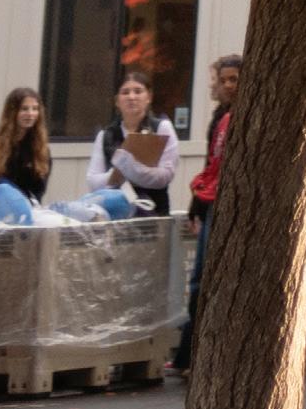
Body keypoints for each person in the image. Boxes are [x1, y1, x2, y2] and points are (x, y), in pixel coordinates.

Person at [172, 52, 240, 375]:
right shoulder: (220, 117)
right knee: (200, 278)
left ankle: (195, 353)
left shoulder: (240, 117)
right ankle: (189, 352)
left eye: (234, 80)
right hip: (211, 200)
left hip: (228, 203)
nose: (228, 86)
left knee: (207, 277)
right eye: (223, 80)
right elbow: (210, 166)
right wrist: (197, 206)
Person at [86, 70, 177, 218]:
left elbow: (165, 175)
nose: (131, 97)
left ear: (149, 97)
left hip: (153, 213)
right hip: (116, 216)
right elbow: (92, 181)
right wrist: (115, 174)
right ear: (117, 101)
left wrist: (130, 169)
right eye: (125, 92)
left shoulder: (161, 128)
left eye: (138, 91)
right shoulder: (105, 135)